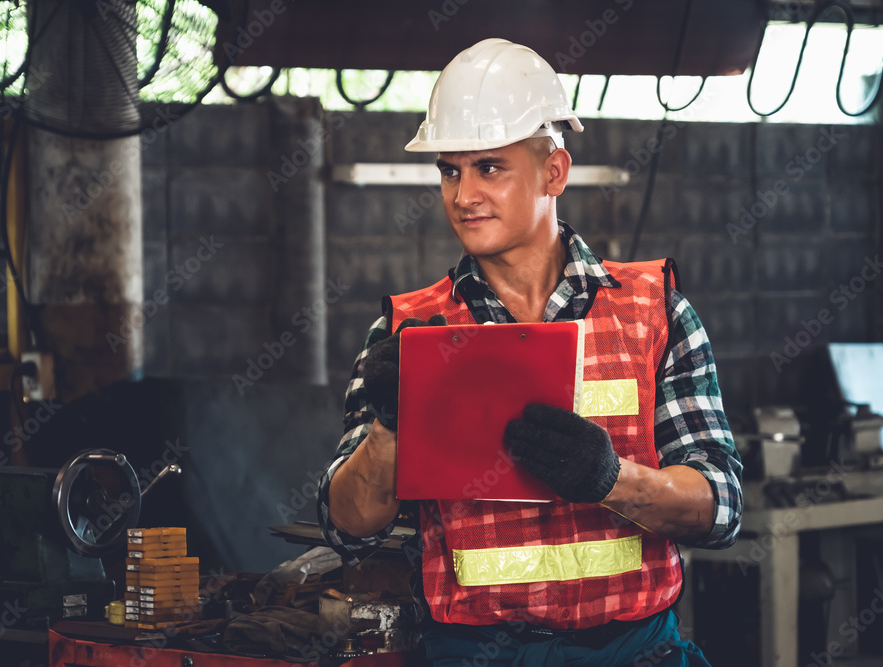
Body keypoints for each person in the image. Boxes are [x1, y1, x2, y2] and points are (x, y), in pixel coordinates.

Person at [317, 38, 742, 666]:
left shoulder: (655, 314)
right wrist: (389, 428)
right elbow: (349, 525)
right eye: (449, 170)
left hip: (631, 653)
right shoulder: (408, 334)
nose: (463, 196)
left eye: (489, 167)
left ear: (554, 173)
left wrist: (611, 480)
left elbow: (723, 504)